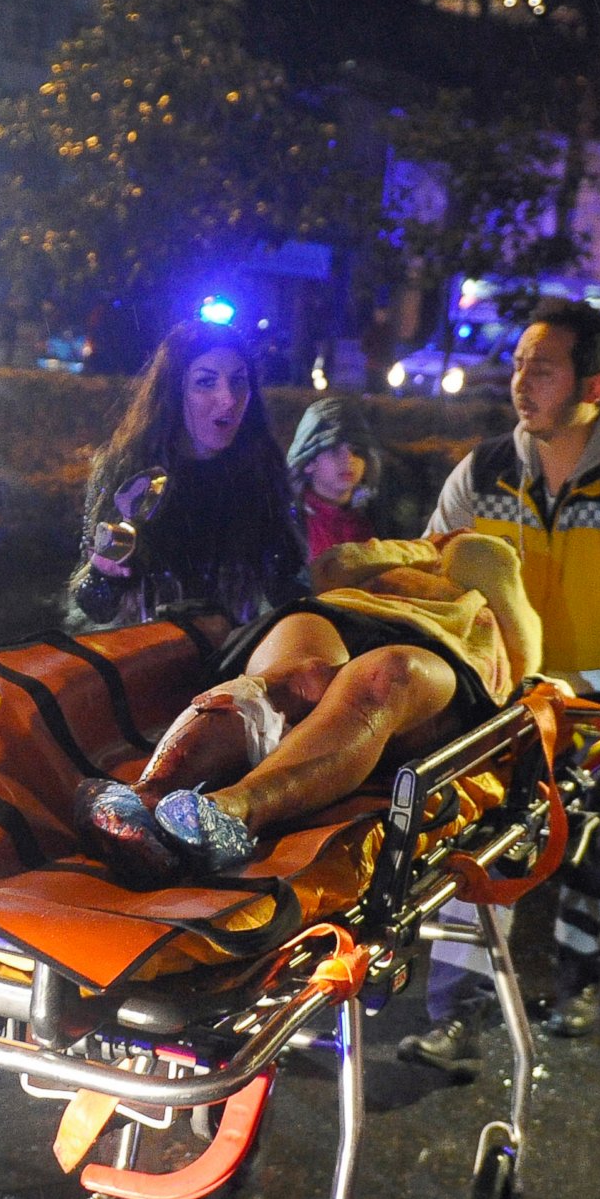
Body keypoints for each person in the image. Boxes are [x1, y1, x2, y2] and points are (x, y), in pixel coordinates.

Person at [404, 298, 600, 1064]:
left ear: (594, 385)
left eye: (544, 367)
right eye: (518, 363)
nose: (521, 382)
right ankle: (460, 1012)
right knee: (477, 849)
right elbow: (433, 569)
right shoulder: (487, 469)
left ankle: (581, 981)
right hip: (505, 707)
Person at [76, 531, 538, 879]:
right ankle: (145, 796)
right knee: (295, 677)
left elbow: (526, 653)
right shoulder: (402, 556)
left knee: (383, 677)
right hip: (344, 612)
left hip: (440, 651)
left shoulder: (484, 580)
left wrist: (465, 547)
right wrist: (425, 547)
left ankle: (232, 811)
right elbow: (333, 567)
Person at [67, 319, 305, 628]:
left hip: (236, 657)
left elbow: (285, 582)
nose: (229, 399)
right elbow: (92, 607)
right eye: (206, 382)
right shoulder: (128, 471)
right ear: (175, 391)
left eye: (238, 381)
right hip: (147, 655)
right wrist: (103, 574)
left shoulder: (262, 469)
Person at [286, 395, 383, 559]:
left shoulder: (379, 519)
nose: (348, 459)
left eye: (356, 451)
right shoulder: (288, 523)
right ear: (309, 462)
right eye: (334, 450)